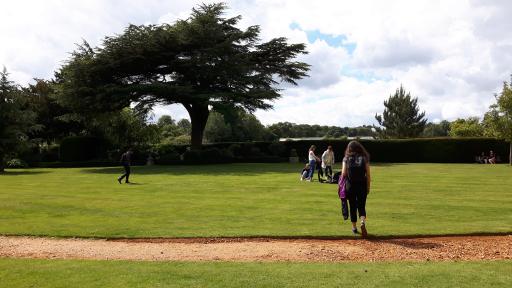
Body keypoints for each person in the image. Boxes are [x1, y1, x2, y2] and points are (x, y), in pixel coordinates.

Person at [342, 141, 371, 238]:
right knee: (362, 205)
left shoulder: (346, 158)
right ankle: (362, 221)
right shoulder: (364, 158)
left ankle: (354, 227)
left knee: (352, 206)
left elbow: (343, 174)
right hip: (362, 185)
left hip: (350, 186)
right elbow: (368, 175)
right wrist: (368, 187)